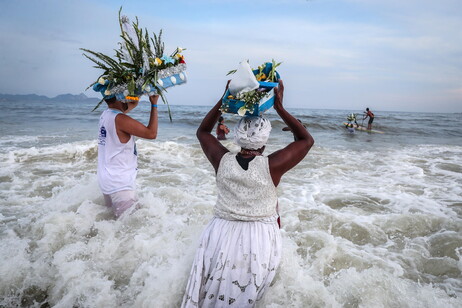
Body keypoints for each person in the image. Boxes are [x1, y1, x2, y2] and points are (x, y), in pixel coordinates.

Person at [181, 80, 314, 307]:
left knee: (210, 293)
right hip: (257, 238)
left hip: (220, 233)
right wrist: (280, 107)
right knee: (247, 296)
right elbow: (306, 140)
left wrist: (224, 99)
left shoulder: (221, 159)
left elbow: (203, 131)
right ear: (264, 140)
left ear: (238, 135)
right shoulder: (272, 165)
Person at [97, 93, 159, 218]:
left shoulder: (106, 114)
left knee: (112, 223)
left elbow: (132, 104)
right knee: (128, 229)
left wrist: (138, 93)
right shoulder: (120, 119)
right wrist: (154, 104)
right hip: (120, 184)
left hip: (107, 180)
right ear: (120, 97)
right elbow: (151, 133)